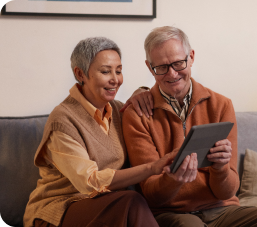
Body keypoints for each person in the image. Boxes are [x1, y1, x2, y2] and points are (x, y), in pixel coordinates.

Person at [122, 26, 257, 227]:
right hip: (171, 213)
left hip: (222, 209)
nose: (172, 74)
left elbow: (228, 192)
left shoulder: (221, 105)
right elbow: (152, 194)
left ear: (191, 57)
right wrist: (173, 179)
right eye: (162, 67)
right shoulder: (138, 114)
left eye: (178, 63)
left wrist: (220, 168)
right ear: (150, 68)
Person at [23, 37, 177, 227]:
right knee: (131, 201)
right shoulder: (63, 119)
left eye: (119, 71)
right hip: (58, 211)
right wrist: (152, 168)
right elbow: (89, 181)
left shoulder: (120, 111)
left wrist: (144, 91)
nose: (116, 79)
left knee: (130, 203)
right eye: (105, 71)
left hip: (110, 207)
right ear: (80, 74)